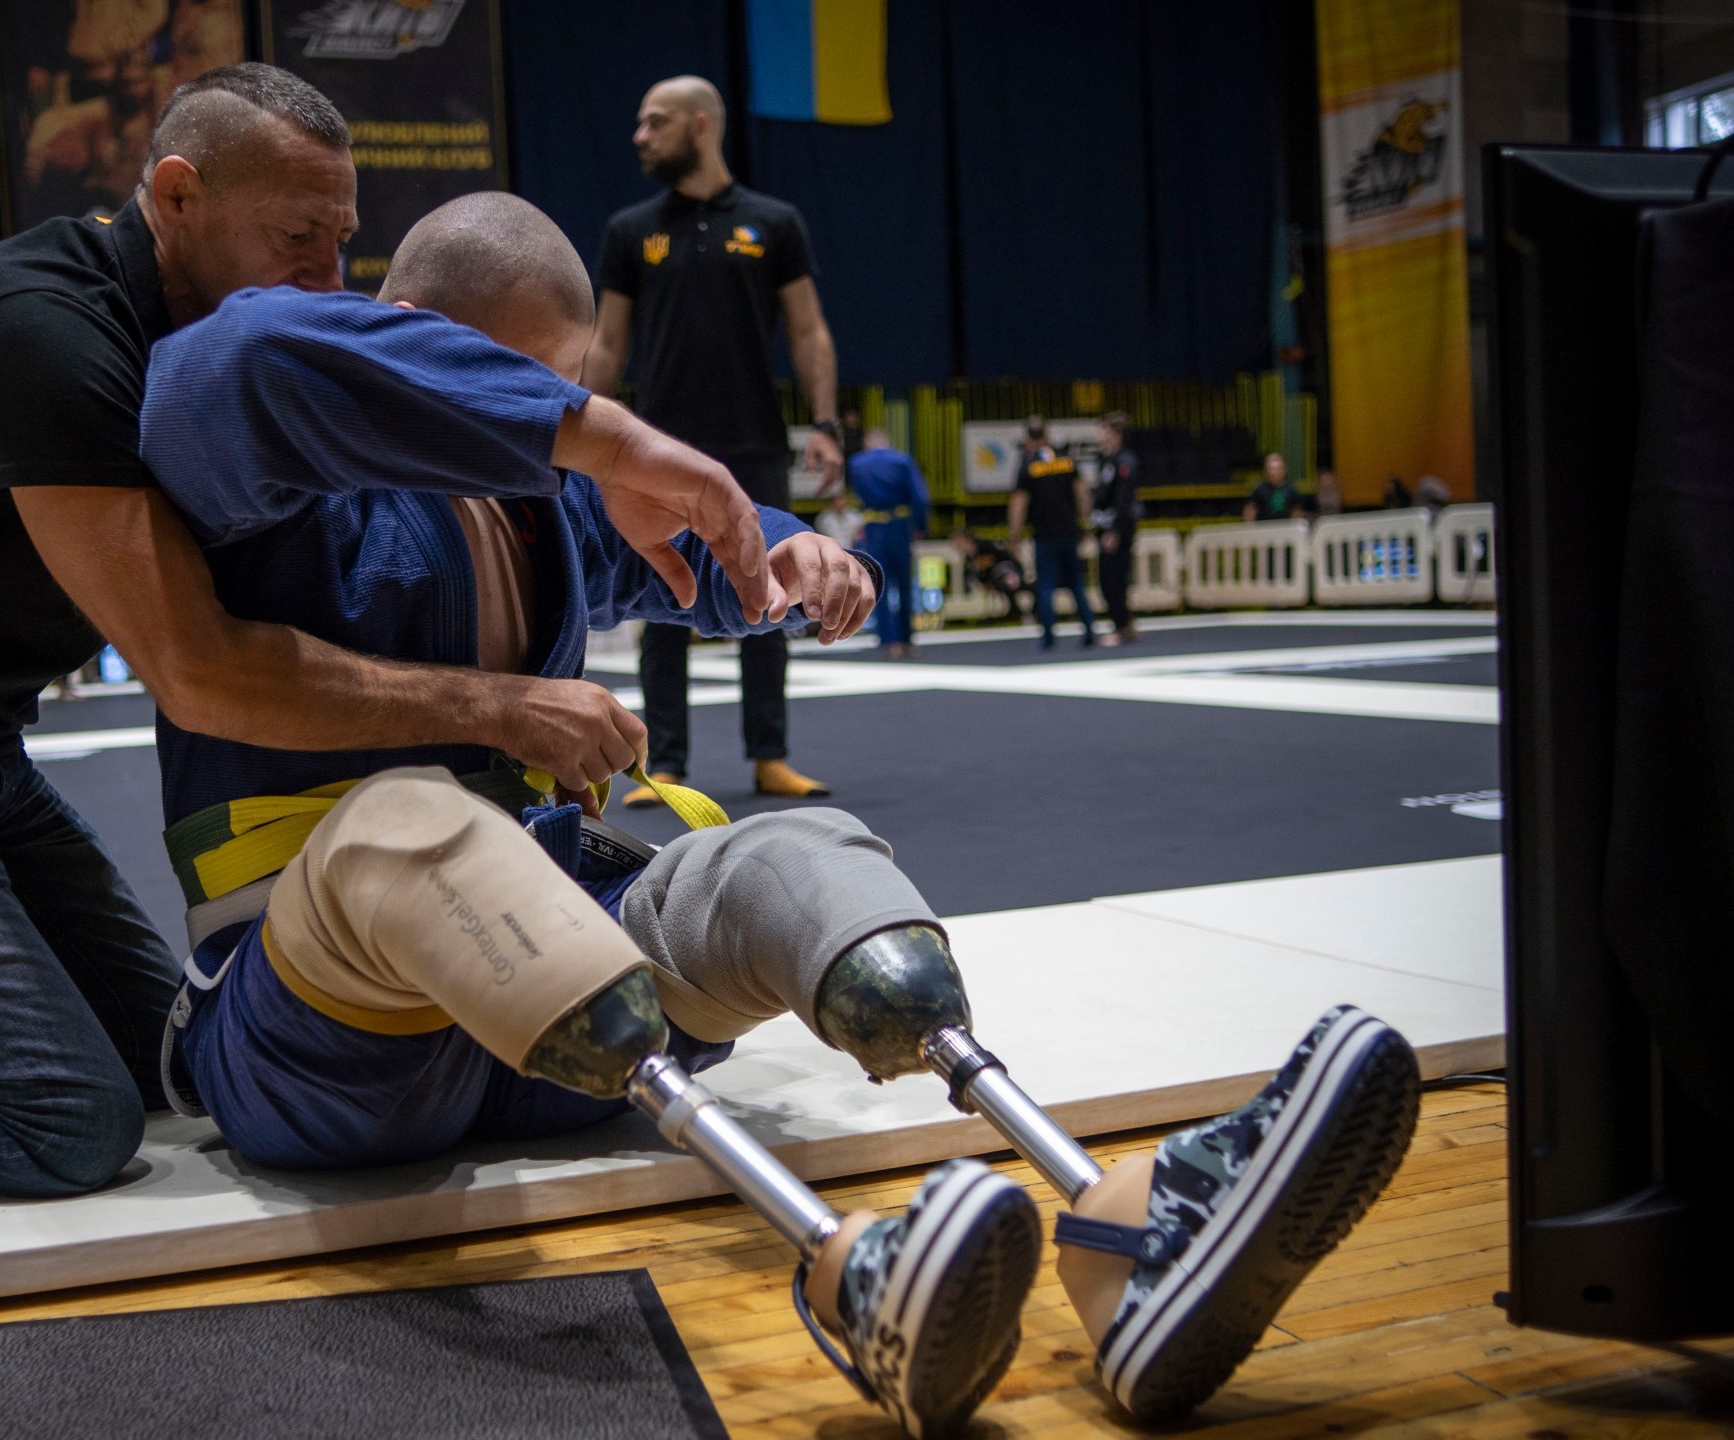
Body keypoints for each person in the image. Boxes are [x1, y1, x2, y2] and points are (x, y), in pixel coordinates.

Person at [134, 194, 1426, 1436]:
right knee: (414, 822)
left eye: (567, 394)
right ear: (403, 328)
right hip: (313, 1036)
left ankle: (1120, 1222)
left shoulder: (536, 500)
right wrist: (592, 454)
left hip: (546, 1037)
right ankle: (844, 1268)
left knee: (793, 856)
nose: (549, 433)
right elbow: (237, 351)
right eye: (531, 399)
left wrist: (785, 549)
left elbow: (683, 538)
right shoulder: (265, 451)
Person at [0, 65, 770, 1200]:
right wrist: (498, 698)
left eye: (344, 243)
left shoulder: (203, 335)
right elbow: (203, 673)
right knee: (63, 1123)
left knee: (175, 1061)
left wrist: (705, 522)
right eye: (297, 238)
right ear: (175, 194)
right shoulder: (46, 334)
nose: (331, 282)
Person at [586, 75, 845, 805]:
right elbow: (606, 344)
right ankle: (664, 762)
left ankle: (771, 755)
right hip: (658, 445)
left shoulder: (773, 223)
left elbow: (808, 329)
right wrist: (586, 442)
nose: (641, 136)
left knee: (772, 589)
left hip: (752, 440)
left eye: (654, 122)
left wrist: (824, 425)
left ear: (701, 126)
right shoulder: (631, 231)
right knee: (663, 593)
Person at [1005, 418, 1099, 650]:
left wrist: (1014, 537)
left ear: (1028, 439)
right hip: (1069, 532)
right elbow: (1082, 493)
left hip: (1044, 535)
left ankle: (1048, 637)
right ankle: (1089, 631)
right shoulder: (1066, 459)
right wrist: (1085, 523)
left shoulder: (1030, 464)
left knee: (1045, 586)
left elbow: (1019, 504)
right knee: (1076, 584)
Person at [846, 427, 928, 658]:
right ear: (887, 442)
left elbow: (858, 493)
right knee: (904, 584)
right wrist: (920, 527)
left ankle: (889, 642)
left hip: (874, 527)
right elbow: (920, 497)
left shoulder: (857, 463)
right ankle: (908, 639)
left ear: (868, 443)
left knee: (877, 585)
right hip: (900, 525)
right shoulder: (902, 460)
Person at [1091, 411, 1141, 645]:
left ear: (1116, 434)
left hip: (1118, 530)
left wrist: (1115, 531)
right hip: (1106, 528)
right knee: (1108, 580)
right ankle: (1125, 624)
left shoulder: (1124, 461)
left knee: (1113, 580)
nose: (1100, 435)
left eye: (1104, 431)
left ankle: (1121, 628)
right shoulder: (1107, 460)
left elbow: (1123, 500)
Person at [1243, 452, 1303, 522]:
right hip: (1264, 528)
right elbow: (1251, 510)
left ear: (1283, 469)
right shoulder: (1260, 490)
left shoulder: (1291, 490)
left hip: (1285, 528)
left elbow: (1296, 511)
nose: (1273, 472)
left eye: (1276, 469)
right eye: (1270, 469)